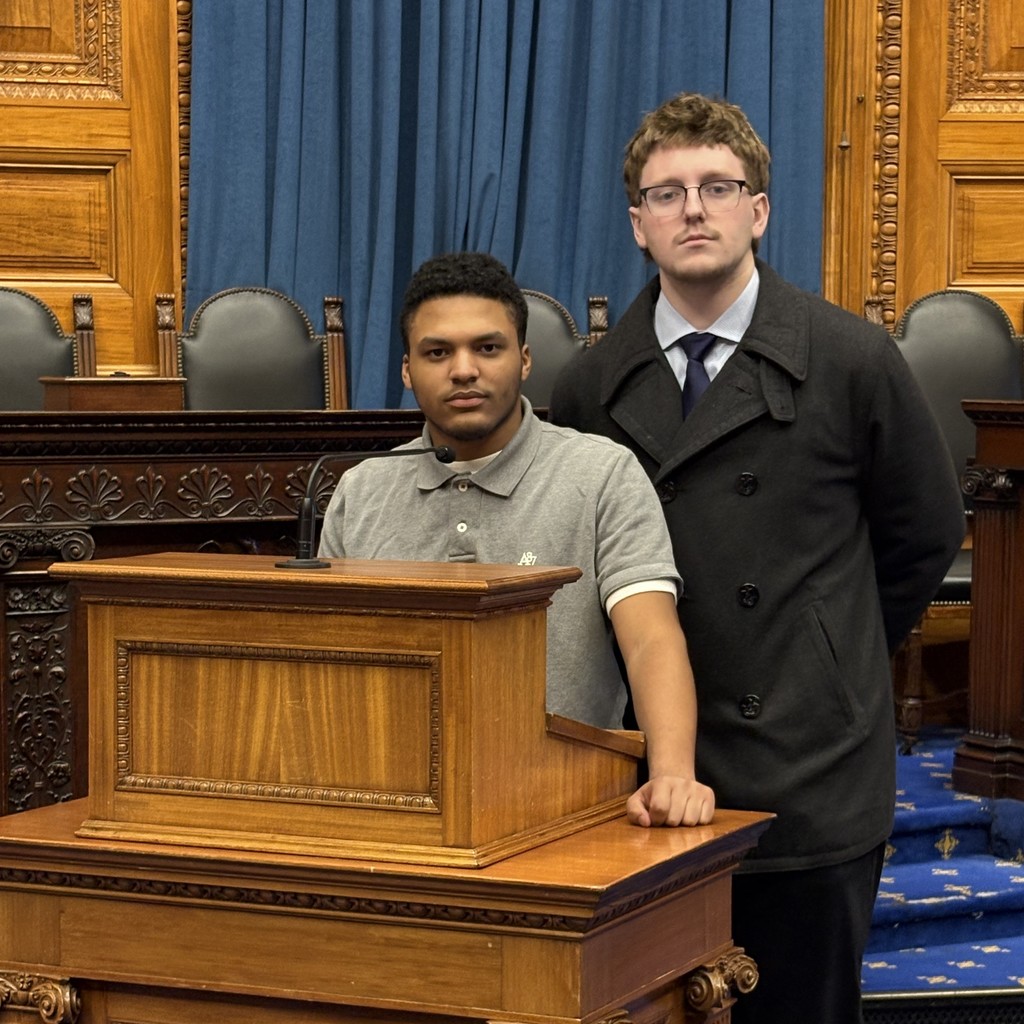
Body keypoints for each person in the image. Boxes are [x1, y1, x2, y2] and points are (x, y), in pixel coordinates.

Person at [548, 93, 965, 1024]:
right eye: (667, 194)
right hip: (647, 778)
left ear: (759, 210)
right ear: (638, 227)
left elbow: (925, 531)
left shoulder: (851, 357)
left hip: (809, 763)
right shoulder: (588, 383)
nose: (693, 209)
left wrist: (834, 653)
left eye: (717, 187)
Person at [318, 250, 715, 827]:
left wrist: (672, 772)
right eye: (437, 352)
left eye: (487, 347)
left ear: (525, 359)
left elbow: (650, 638)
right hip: (393, 810)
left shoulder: (602, 475)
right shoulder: (361, 493)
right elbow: (327, 665)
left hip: (566, 807)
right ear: (406, 370)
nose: (463, 369)